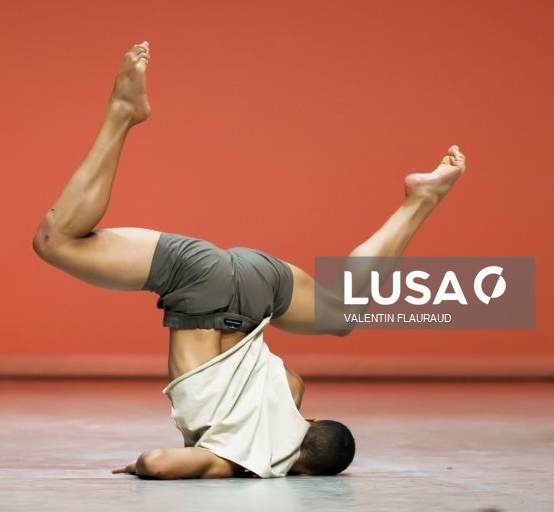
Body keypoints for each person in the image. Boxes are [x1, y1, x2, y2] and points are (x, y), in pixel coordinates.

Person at [32, 41, 466, 479]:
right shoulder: (238, 459)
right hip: (200, 285)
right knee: (57, 242)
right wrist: (170, 466)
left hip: (264, 283)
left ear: (309, 421)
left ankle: (421, 200)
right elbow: (157, 462)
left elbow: (291, 381)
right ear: (302, 469)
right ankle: (122, 114)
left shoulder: (292, 395)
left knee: (346, 312)